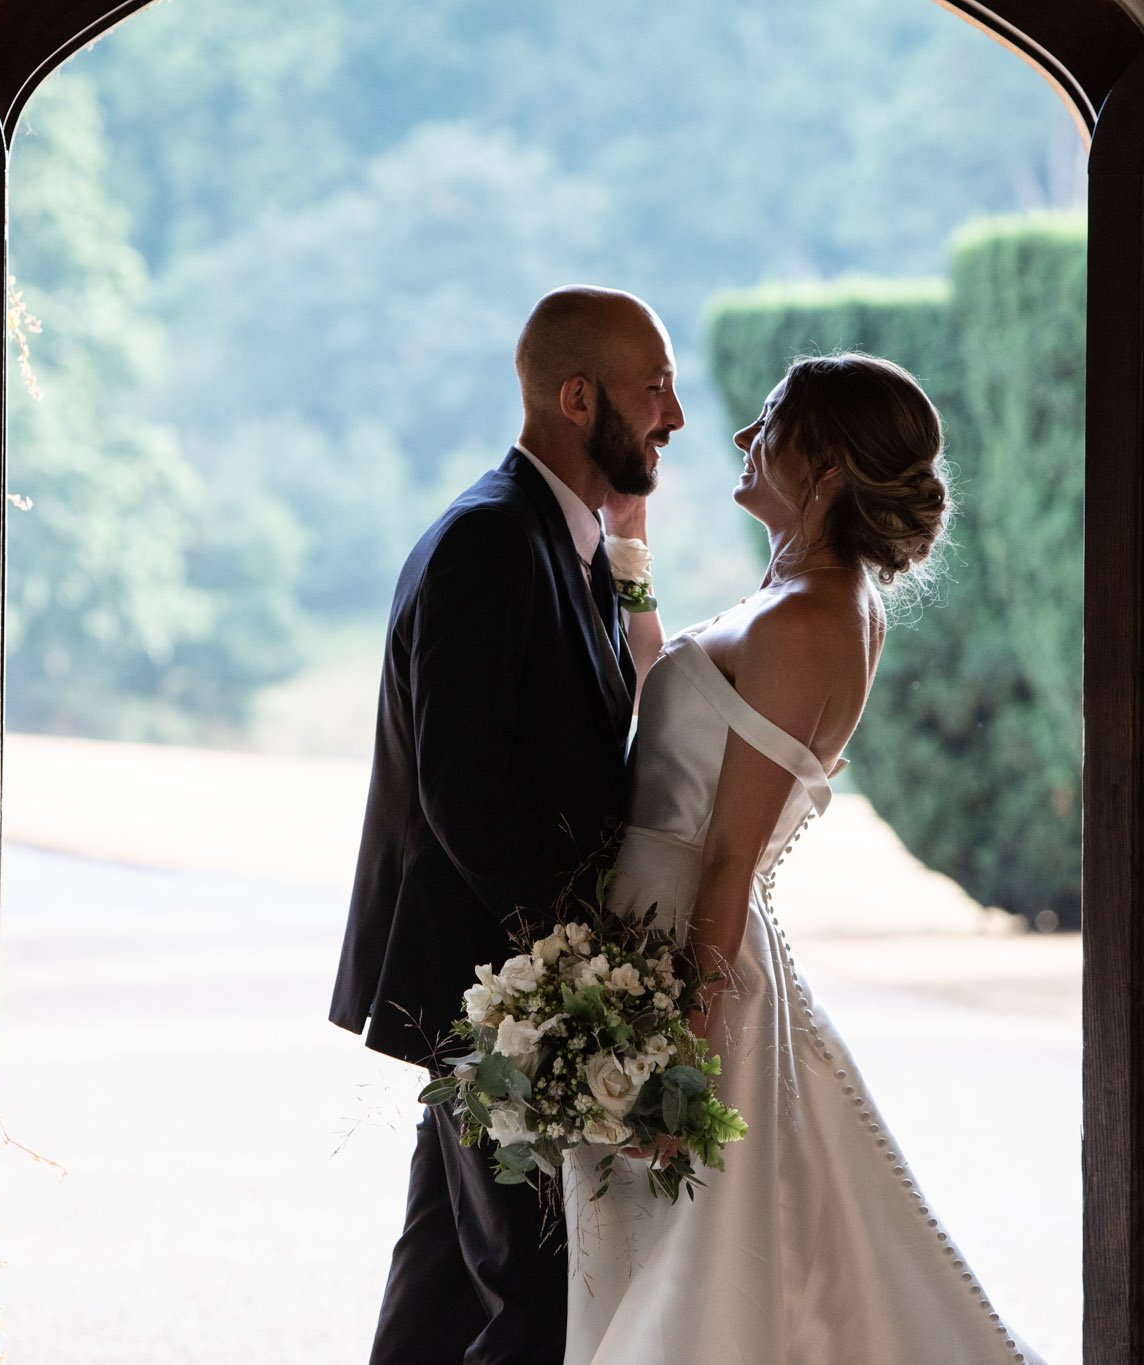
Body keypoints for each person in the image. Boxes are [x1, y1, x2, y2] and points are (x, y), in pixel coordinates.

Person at [562, 353, 1044, 1364]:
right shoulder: (789, 591)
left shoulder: (814, 616)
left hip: (692, 965)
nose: (742, 438)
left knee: (695, 1278)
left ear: (821, 464)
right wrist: (630, 551)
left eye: (769, 420)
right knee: (637, 1261)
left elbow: (731, 856)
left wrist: (681, 1054)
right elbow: (663, 704)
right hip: (650, 943)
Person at [330, 286, 683, 1365]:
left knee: (442, 1293)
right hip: (494, 991)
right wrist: (574, 974)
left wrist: (628, 557)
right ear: (577, 399)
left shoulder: (560, 539)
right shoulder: (488, 540)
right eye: (652, 389)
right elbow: (464, 791)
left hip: (500, 987)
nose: (672, 417)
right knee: (528, 1302)